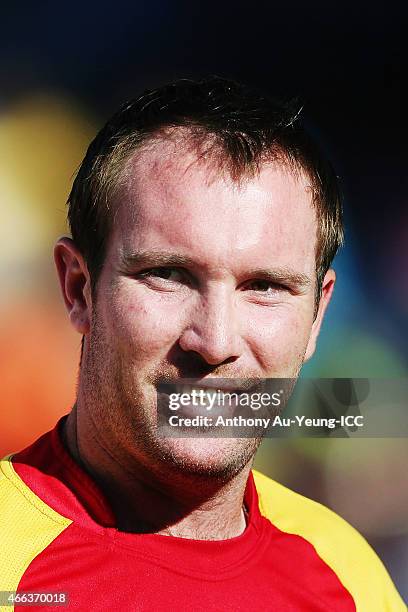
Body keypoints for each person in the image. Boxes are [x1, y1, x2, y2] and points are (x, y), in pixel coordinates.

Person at [0, 77, 404, 611]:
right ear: (78, 287)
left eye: (264, 287)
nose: (214, 342)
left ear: (317, 316)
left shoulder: (346, 574)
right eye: (167, 274)